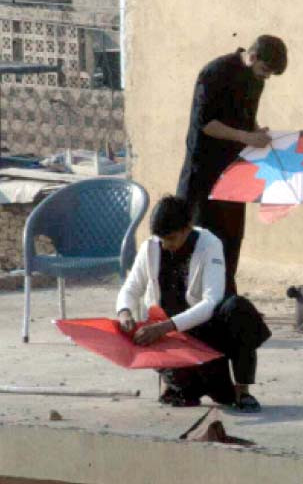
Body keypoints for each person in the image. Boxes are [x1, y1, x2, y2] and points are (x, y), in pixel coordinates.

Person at [116, 195, 271, 412]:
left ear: (187, 228)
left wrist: (166, 326)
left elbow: (210, 301)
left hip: (203, 331)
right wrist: (124, 312)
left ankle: (242, 391)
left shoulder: (210, 245)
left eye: (171, 238)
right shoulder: (150, 248)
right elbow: (131, 288)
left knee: (238, 309)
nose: (166, 245)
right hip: (170, 339)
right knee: (185, 394)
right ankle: (170, 384)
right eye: (162, 240)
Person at [176, 35, 287, 296]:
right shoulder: (215, 72)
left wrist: (257, 131)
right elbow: (207, 123)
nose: (265, 78)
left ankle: (224, 301)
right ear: (253, 57)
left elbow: (245, 118)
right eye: (264, 71)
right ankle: (194, 302)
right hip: (203, 173)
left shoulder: (255, 80)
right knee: (202, 239)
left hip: (235, 173)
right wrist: (247, 137)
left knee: (230, 240)